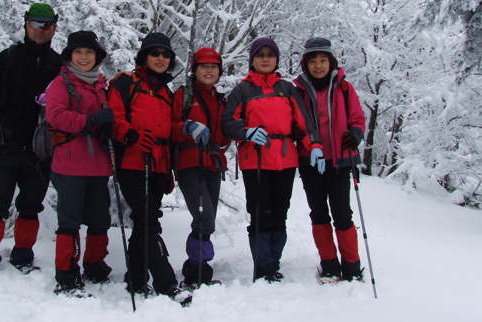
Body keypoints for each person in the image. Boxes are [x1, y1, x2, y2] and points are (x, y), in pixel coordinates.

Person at [0, 3, 62, 296]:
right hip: (5, 144)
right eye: (35, 23)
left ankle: (23, 255)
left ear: (54, 29)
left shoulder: (59, 65)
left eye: (46, 25)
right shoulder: (7, 58)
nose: (40, 29)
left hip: (40, 149)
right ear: (25, 24)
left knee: (31, 206)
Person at [222, 37, 324, 282]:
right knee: (259, 214)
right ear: (252, 60)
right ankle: (262, 266)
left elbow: (304, 122)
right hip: (254, 160)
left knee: (280, 213)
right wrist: (245, 131)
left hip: (285, 159)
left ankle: (273, 262)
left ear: (277, 59)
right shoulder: (242, 90)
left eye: (270, 54)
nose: (265, 58)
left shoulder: (287, 89)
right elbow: (227, 123)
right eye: (260, 54)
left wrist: (315, 146)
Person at [108, 32, 192, 305]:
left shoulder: (166, 93)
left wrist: (185, 130)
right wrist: (130, 134)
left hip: (158, 165)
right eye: (154, 53)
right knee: (148, 220)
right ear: (144, 56)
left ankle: (136, 278)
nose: (160, 58)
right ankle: (167, 283)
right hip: (133, 161)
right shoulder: (125, 83)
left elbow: (168, 131)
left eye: (165, 54)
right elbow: (114, 117)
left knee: (143, 221)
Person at [45, 30, 115, 297]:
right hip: (70, 165)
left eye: (89, 52)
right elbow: (56, 117)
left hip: (98, 164)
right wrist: (92, 121)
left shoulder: (99, 85)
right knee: (70, 222)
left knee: (100, 219)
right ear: (70, 56)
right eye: (79, 52)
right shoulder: (61, 84)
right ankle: (67, 274)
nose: (84, 57)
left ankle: (95, 266)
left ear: (97, 56)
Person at [293, 37, 367, 282]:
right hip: (310, 161)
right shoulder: (299, 89)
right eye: (313, 61)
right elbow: (296, 123)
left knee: (342, 213)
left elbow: (357, 118)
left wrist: (355, 134)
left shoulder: (345, 88)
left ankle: (352, 265)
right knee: (319, 213)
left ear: (331, 62)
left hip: (339, 161)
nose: (318, 65)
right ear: (306, 64)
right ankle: (330, 264)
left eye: (323, 60)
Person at [170, 47, 230, 288]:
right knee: (205, 218)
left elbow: (225, 136)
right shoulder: (183, 96)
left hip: (213, 164)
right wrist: (187, 128)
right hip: (189, 163)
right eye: (203, 66)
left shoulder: (221, 99)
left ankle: (194, 264)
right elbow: (170, 127)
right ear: (194, 70)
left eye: (213, 66)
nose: (208, 70)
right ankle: (197, 271)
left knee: (207, 219)